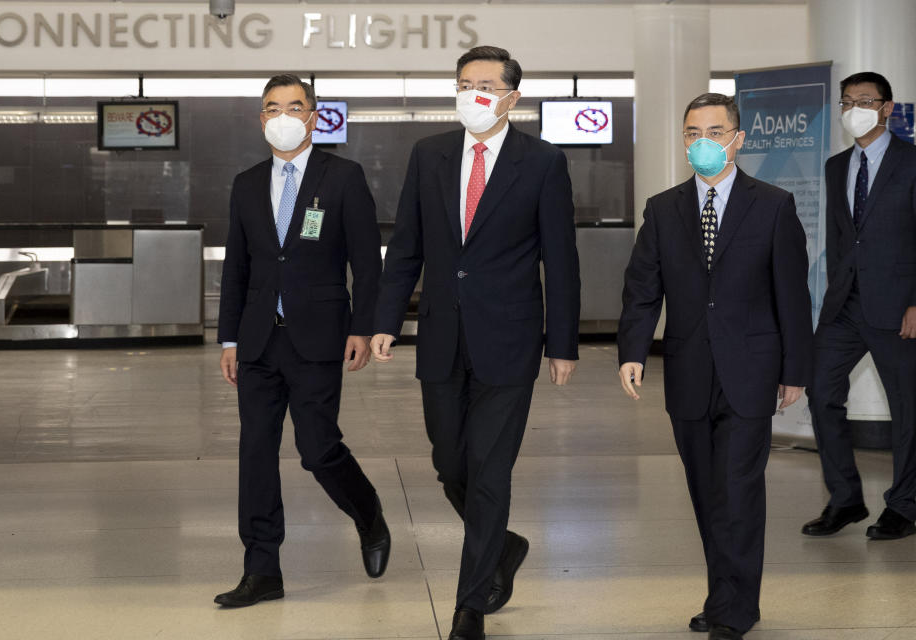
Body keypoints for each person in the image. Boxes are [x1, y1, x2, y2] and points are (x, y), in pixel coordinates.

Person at [371, 46, 580, 640]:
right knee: (449, 463)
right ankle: (505, 544)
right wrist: (388, 318)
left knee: (489, 471)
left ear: (513, 96)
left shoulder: (541, 162)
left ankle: (471, 603)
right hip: (440, 336)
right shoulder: (428, 154)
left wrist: (561, 344)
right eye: (466, 83)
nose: (474, 93)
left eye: (487, 84)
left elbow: (559, 261)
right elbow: (406, 246)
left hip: (509, 341)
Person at [617, 93, 813, 640]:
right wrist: (632, 352)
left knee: (738, 490)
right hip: (688, 371)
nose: (702, 142)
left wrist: (795, 369)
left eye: (714, 131)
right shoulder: (663, 208)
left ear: (738, 138)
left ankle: (736, 609)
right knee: (707, 493)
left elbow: (792, 295)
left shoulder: (773, 205)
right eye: (691, 133)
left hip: (751, 370)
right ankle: (723, 594)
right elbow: (641, 289)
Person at [214, 74, 390, 607]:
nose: (284, 115)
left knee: (316, 449)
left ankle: (368, 513)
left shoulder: (344, 177)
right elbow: (237, 268)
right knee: (256, 453)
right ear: (261, 118)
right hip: (258, 341)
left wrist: (363, 326)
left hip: (320, 338)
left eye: (295, 105)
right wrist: (228, 339)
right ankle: (262, 568)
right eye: (273, 107)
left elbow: (366, 261)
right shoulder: (246, 183)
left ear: (314, 116)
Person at [802, 72, 916, 541]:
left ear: (888, 108)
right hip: (845, 305)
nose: (854, 109)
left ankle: (905, 506)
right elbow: (841, 237)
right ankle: (845, 498)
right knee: (821, 392)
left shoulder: (911, 161)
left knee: (907, 408)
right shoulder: (834, 166)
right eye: (847, 102)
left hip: (899, 307)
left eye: (865, 101)